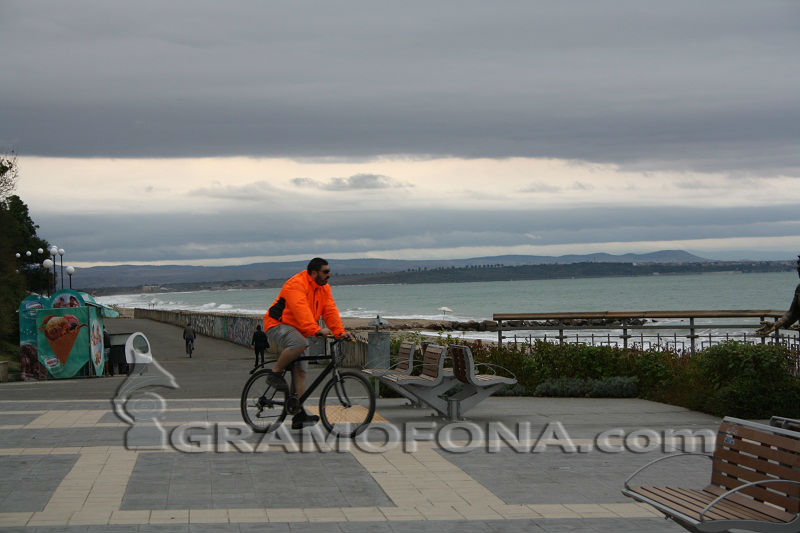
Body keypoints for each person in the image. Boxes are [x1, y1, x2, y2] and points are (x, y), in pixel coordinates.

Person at [263, 257, 351, 429]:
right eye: (325, 272)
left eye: (329, 271)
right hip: (277, 324)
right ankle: (274, 373)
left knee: (301, 372)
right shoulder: (296, 284)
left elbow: (330, 310)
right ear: (314, 272)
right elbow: (300, 308)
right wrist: (316, 329)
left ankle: (298, 415)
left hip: (299, 330)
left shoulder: (324, 288)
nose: (329, 275)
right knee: (300, 343)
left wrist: (340, 332)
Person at [757, 255, 800, 336]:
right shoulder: (799, 288)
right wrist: (776, 324)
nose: (798, 271)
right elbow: (793, 312)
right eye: (798, 268)